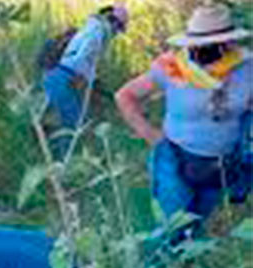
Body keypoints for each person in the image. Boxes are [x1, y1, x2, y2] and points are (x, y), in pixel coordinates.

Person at [115, 4, 252, 237]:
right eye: (199, 45)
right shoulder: (171, 67)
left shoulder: (246, 68)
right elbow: (125, 96)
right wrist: (152, 136)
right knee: (173, 228)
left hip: (221, 163)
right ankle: (160, 259)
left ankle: (188, 254)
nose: (204, 51)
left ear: (229, 43)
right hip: (176, 159)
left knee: (197, 223)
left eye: (214, 44)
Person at [42, 3, 129, 158]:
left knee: (60, 121)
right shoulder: (98, 32)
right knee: (71, 125)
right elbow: (82, 58)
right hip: (65, 77)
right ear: (114, 22)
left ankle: (53, 156)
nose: (116, 33)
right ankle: (63, 162)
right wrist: (85, 80)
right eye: (118, 28)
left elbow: (87, 63)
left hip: (57, 75)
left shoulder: (92, 27)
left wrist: (95, 82)